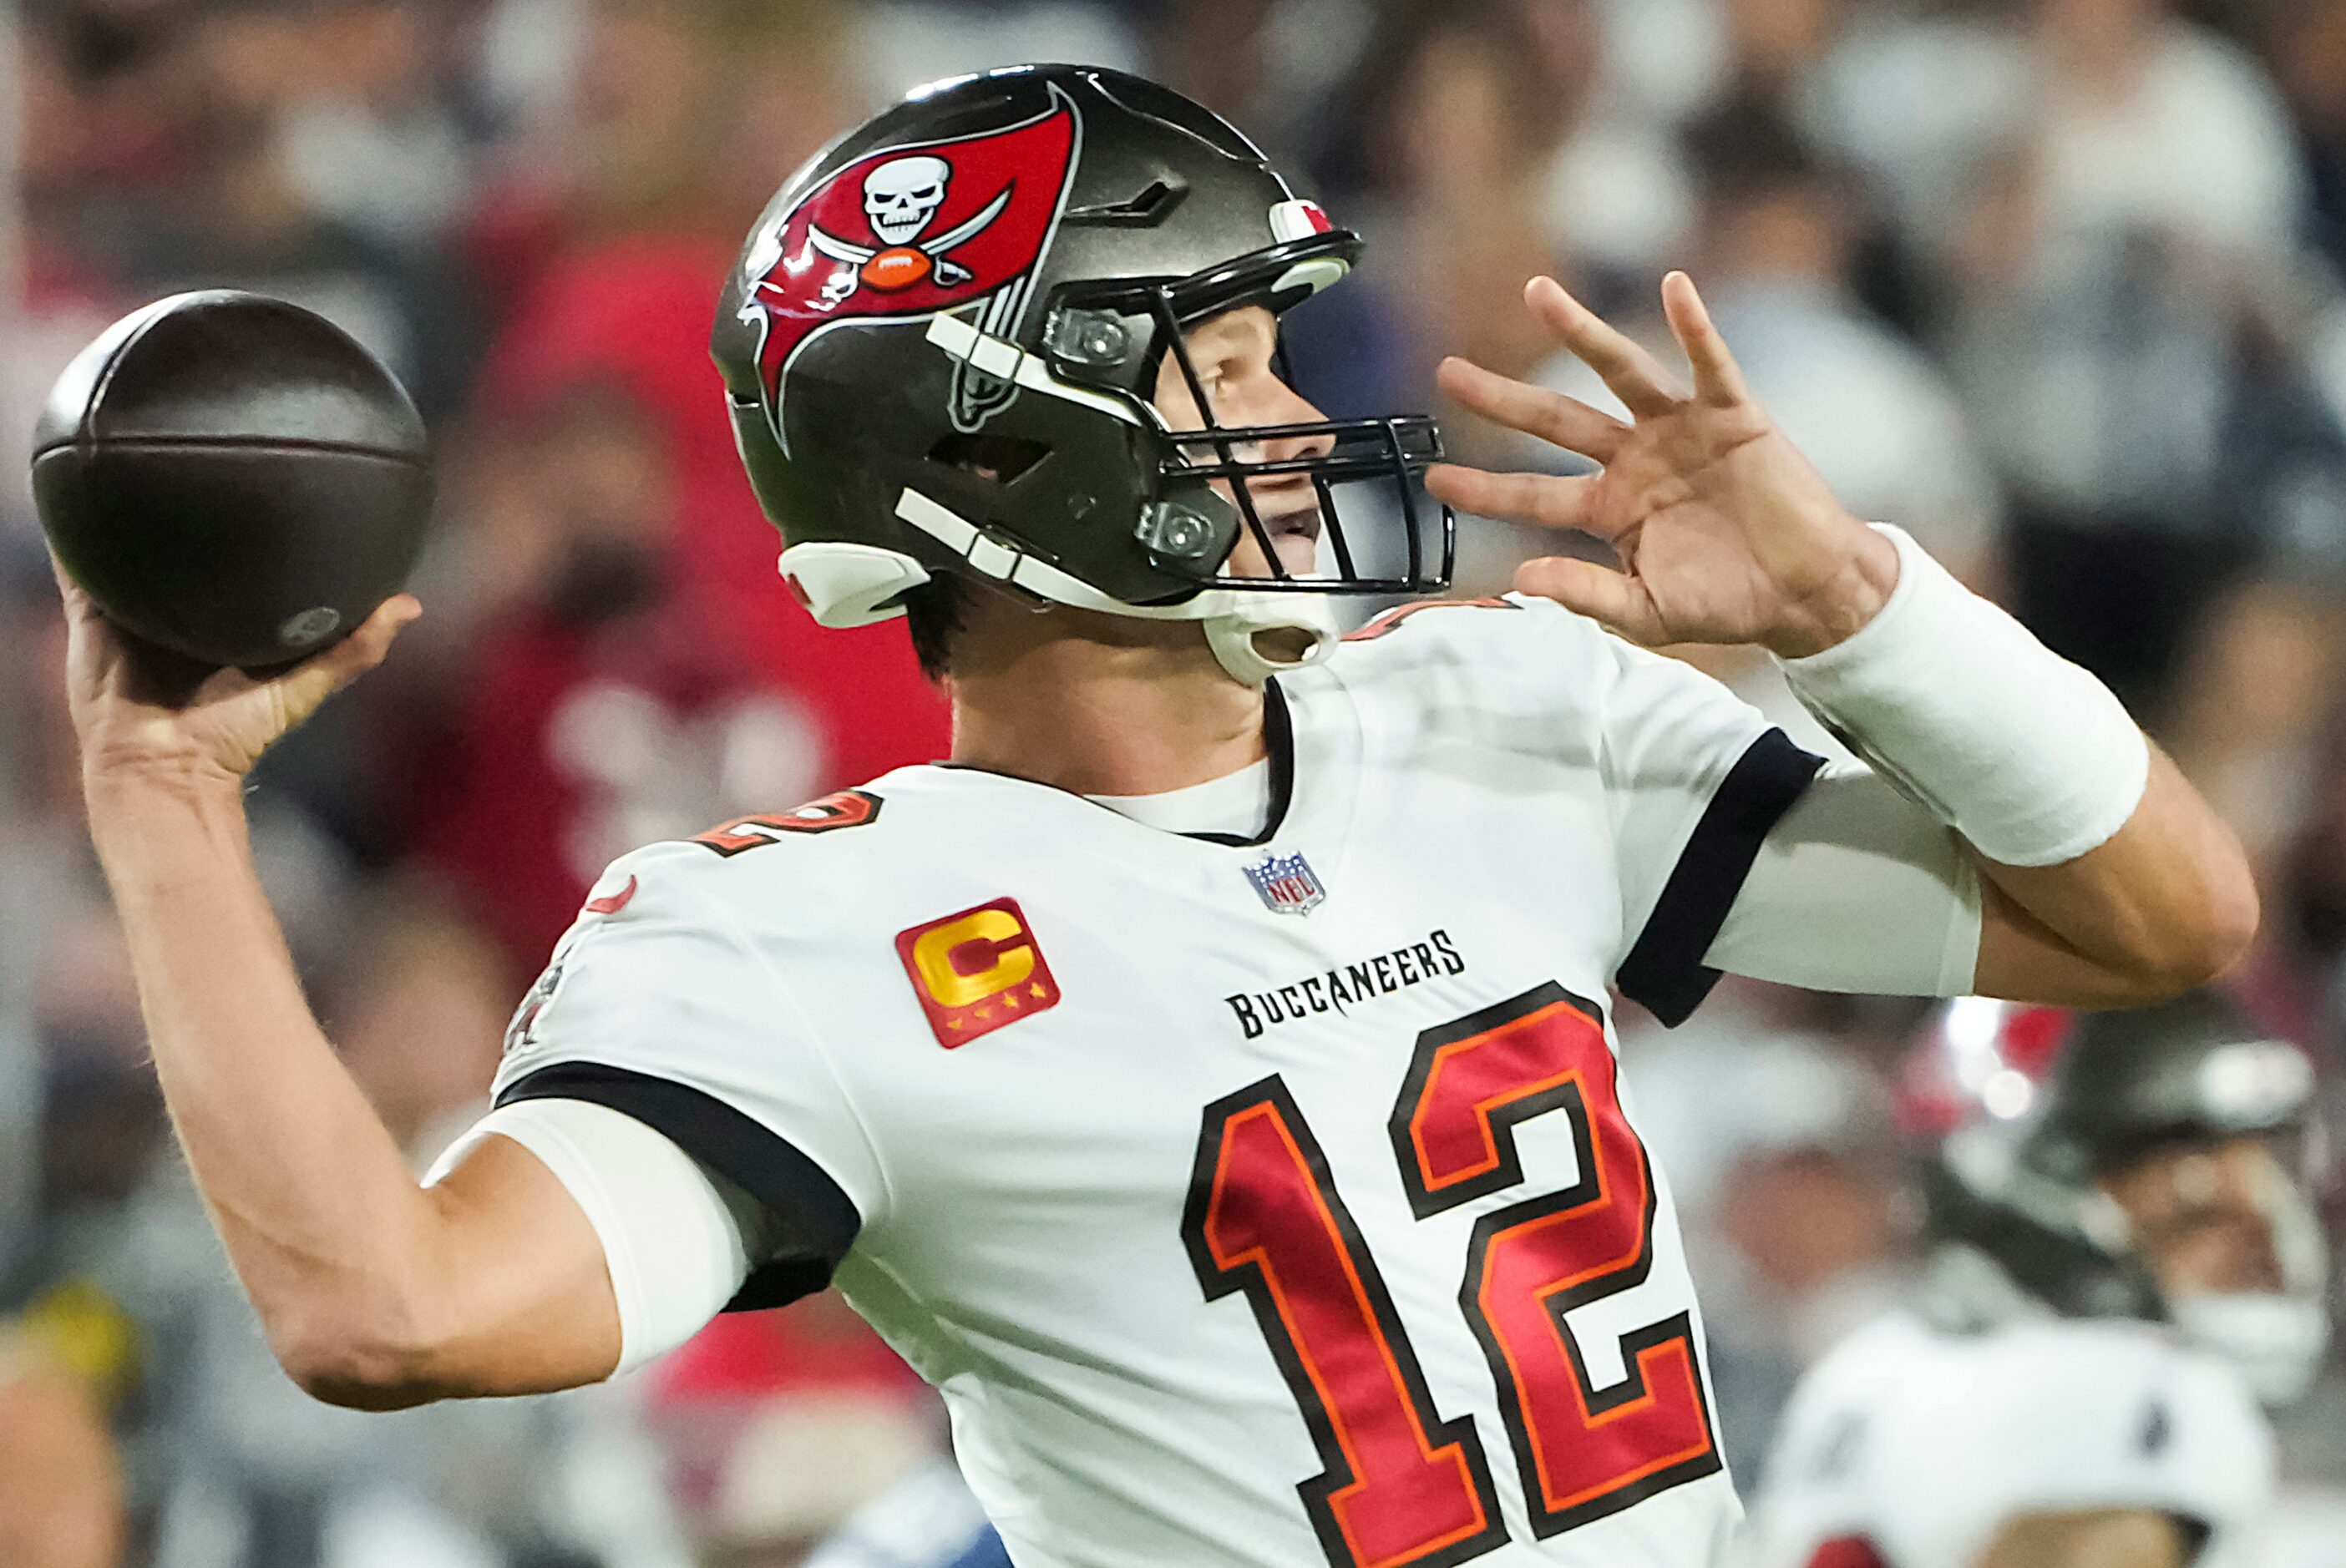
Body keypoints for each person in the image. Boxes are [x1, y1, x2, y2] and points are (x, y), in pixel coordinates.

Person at [56, 65, 2256, 1568]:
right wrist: (165, 796)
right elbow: (392, 1304)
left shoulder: (1499, 713)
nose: (1307, 409)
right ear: (1003, 458)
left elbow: (2162, 913)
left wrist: (1866, 609)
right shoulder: (792, 945)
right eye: (1221, 367)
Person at [1744, 993, 2328, 1568]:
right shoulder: (2134, 1393)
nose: (2268, 1251)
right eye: (2194, 1213)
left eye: (2272, 1192)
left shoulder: (1869, 1370)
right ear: (2020, 1198)